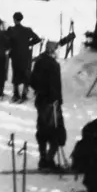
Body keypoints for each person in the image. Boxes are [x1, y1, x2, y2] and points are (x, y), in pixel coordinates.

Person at [30, 40, 66, 172]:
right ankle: (49, 160)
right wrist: (56, 101)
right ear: (53, 50)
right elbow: (55, 86)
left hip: (41, 101)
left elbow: (32, 81)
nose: (59, 52)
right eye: (57, 50)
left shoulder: (39, 61)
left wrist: (40, 90)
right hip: (52, 104)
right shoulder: (53, 65)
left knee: (42, 131)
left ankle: (43, 158)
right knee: (55, 131)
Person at [4, 12, 41, 102]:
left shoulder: (11, 30)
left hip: (15, 55)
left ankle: (16, 94)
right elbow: (37, 39)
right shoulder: (27, 30)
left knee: (16, 74)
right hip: (26, 56)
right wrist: (28, 44)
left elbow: (6, 41)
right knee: (26, 75)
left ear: (14, 19)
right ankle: (24, 94)